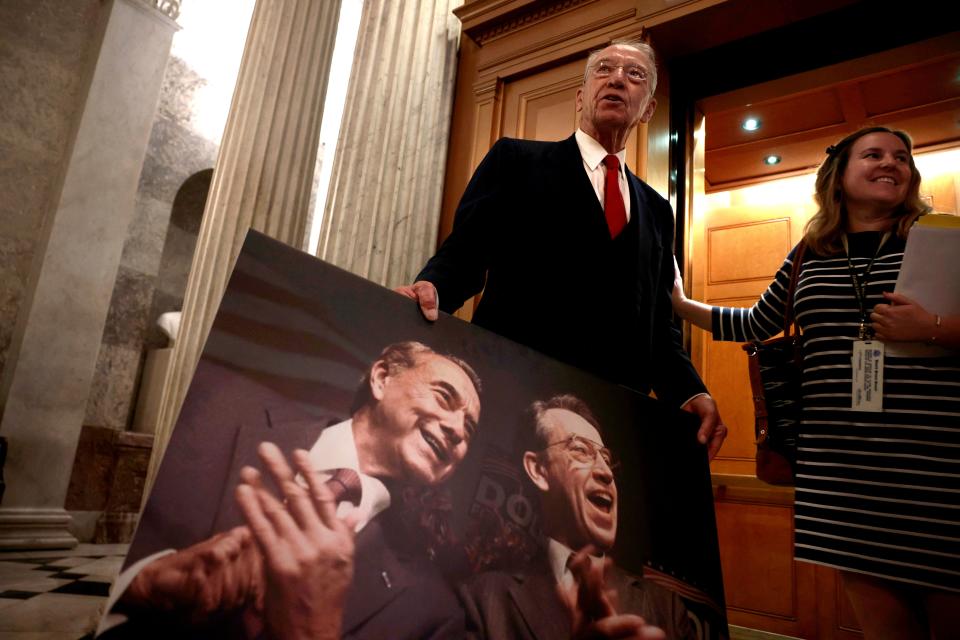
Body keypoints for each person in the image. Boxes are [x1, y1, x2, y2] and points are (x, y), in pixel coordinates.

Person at [671, 126, 960, 639]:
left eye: (901, 157)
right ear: (839, 174)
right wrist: (678, 303)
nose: (891, 163)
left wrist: (933, 328)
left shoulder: (939, 237)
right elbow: (755, 324)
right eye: (873, 154)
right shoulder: (812, 252)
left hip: (934, 468)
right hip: (840, 470)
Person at [396, 38, 725, 460]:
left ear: (648, 109)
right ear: (580, 96)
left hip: (608, 429)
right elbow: (464, 255)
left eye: (635, 74)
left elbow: (659, 328)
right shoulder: (515, 161)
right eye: (604, 70)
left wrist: (688, 390)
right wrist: (432, 286)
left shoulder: (658, 211)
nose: (618, 80)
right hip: (514, 405)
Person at [98, 341, 482, 640]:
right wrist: (140, 583)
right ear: (382, 378)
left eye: (468, 430)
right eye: (444, 397)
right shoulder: (209, 400)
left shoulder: (433, 613)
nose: (456, 430)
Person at [459, 394, 694, 639]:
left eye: (606, 459)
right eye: (581, 450)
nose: (606, 473)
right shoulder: (483, 600)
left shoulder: (666, 607)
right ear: (539, 470)